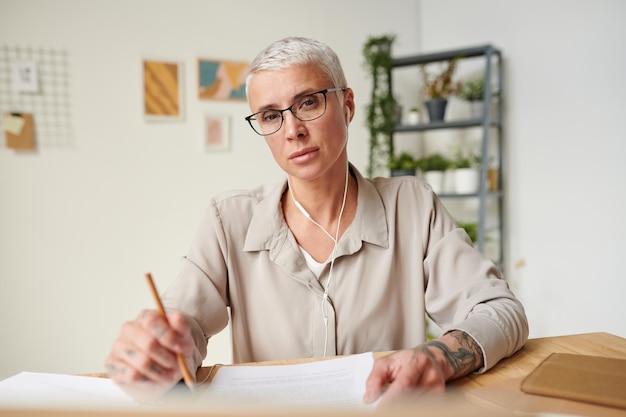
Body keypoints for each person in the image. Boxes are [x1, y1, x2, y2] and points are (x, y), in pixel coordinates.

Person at [105, 36, 528, 406]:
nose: (292, 130)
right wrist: (158, 348)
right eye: (271, 115)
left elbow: (500, 311)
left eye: (307, 102)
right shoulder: (227, 219)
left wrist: (437, 356)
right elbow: (184, 325)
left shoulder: (412, 205)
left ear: (347, 105)